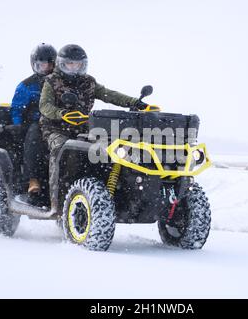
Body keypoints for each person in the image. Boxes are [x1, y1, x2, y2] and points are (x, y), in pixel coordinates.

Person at [39, 44, 148, 214]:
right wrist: (61, 113)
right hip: (55, 128)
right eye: (69, 64)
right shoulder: (51, 81)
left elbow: (109, 94)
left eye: (77, 64)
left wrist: (134, 102)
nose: (74, 67)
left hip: (83, 128)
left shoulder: (88, 81)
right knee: (60, 148)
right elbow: (44, 106)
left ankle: (109, 193)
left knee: (109, 150)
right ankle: (56, 202)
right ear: (61, 64)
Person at [10, 43, 57, 195]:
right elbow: (16, 109)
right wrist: (17, 126)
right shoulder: (27, 85)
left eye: (50, 64)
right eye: (42, 65)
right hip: (33, 122)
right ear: (34, 65)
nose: (47, 68)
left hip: (57, 121)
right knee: (35, 134)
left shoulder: (60, 83)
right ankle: (33, 179)